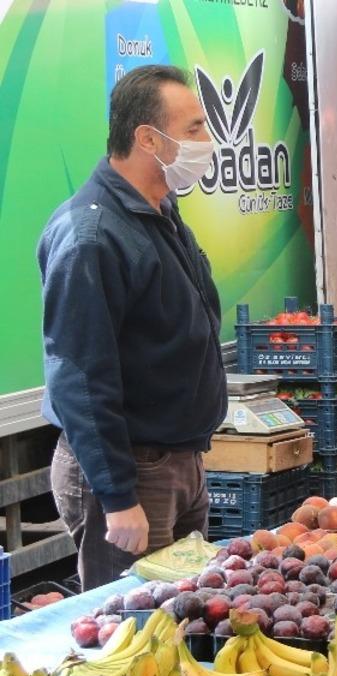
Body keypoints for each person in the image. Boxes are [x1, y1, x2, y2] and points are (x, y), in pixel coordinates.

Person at [39, 65, 225, 590]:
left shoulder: (159, 210)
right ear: (148, 138)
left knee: (188, 615)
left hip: (179, 465)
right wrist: (118, 496)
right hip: (134, 475)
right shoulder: (93, 236)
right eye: (194, 128)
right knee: (137, 623)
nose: (207, 141)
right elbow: (80, 376)